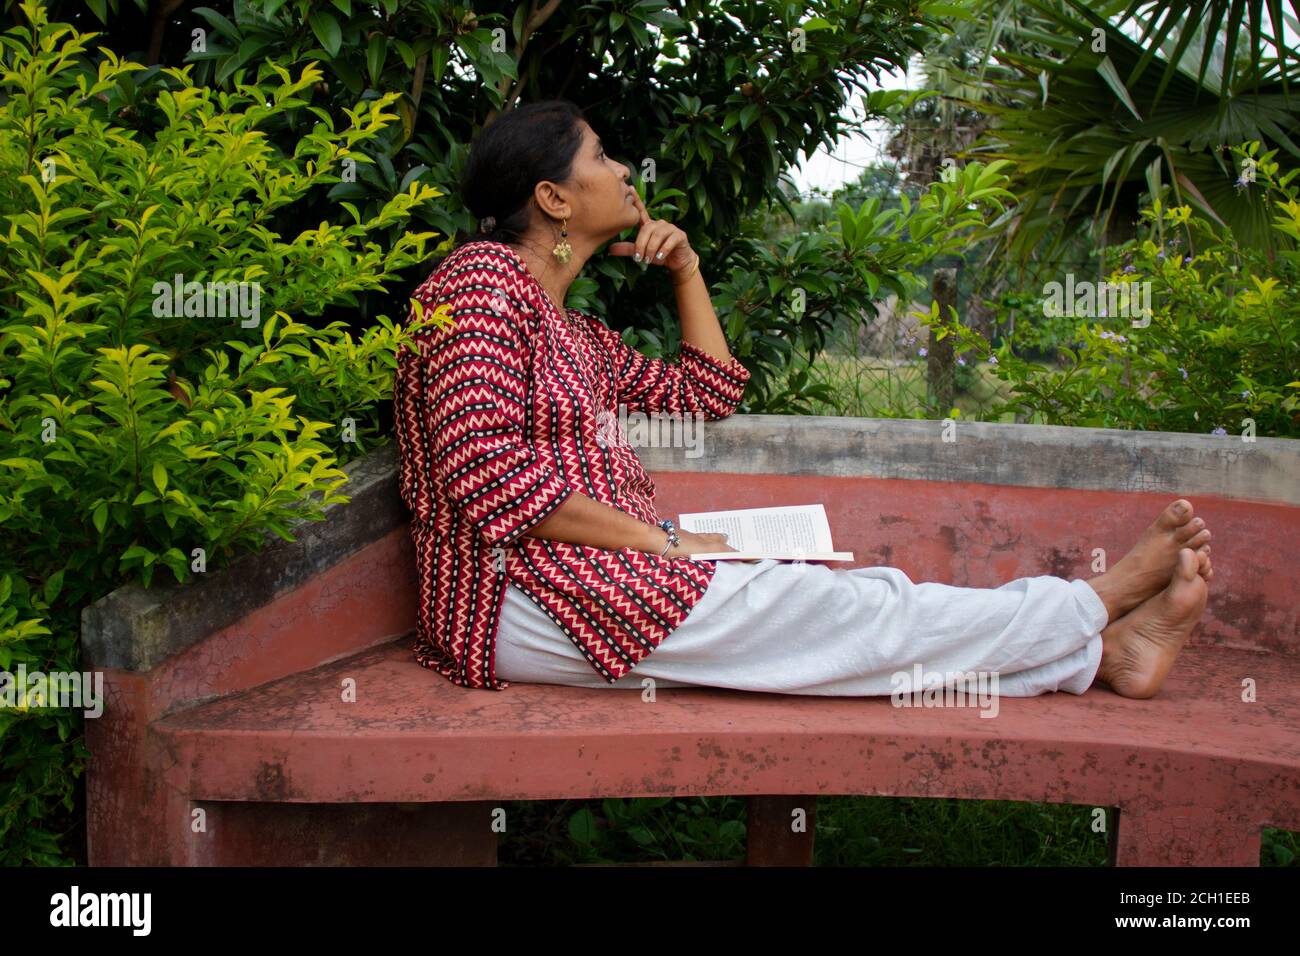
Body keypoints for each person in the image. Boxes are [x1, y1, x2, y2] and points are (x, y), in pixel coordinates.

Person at [392, 99, 1214, 701]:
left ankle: (1096, 656)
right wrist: (658, 540)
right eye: (602, 157)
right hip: (519, 597)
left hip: (599, 571)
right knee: (836, 610)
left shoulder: (570, 330)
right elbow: (487, 474)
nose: (623, 171)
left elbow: (705, 391)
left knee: (828, 614)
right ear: (554, 198)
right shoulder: (477, 289)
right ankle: (1090, 608)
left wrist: (687, 271)